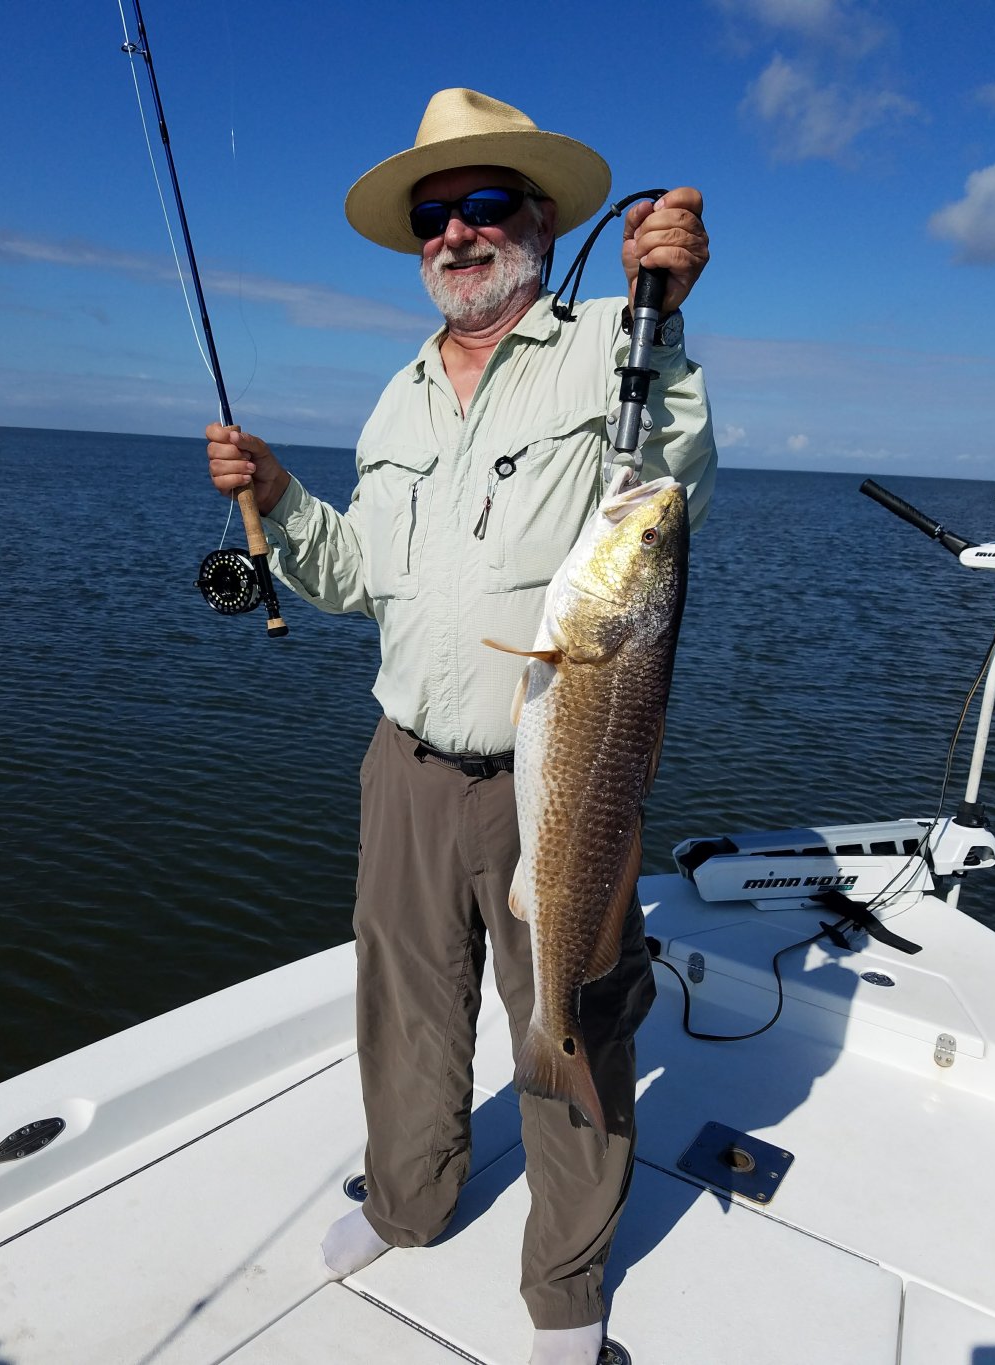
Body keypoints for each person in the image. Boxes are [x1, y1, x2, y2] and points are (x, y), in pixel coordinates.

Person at [206, 87, 716, 1365]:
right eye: (436, 213)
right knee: (407, 1010)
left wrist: (673, 292)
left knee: (579, 1012)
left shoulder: (614, 339)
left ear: (539, 222)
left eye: (486, 206)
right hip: (406, 769)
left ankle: (565, 1289)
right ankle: (410, 1201)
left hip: (562, 769)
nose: (457, 233)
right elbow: (349, 577)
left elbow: (671, 480)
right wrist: (280, 496)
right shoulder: (395, 402)